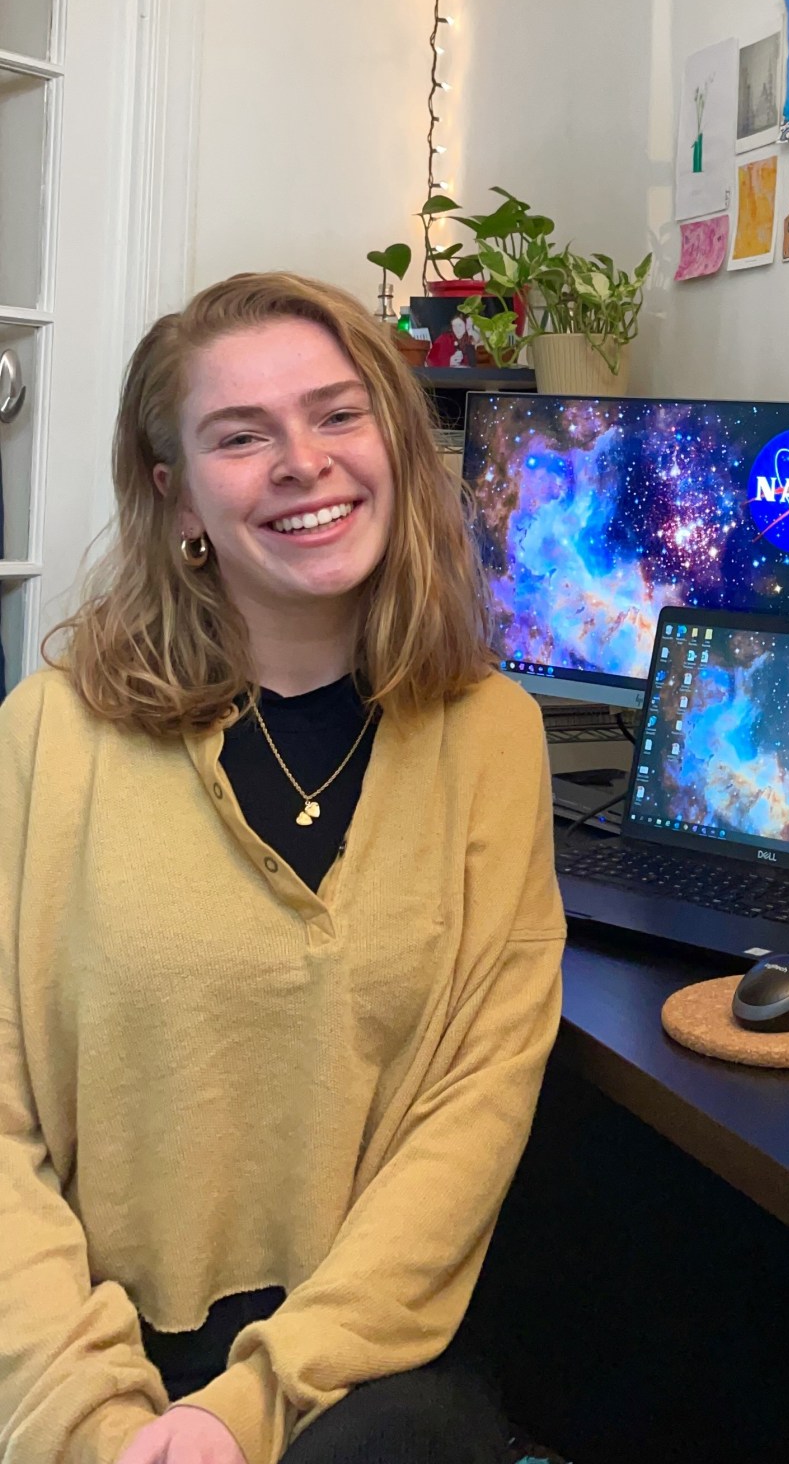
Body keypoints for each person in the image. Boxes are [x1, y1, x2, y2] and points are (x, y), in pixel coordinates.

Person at [0, 273, 565, 1464]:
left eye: (336, 413)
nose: (303, 460)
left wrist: (247, 1409)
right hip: (75, 1345)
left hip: (364, 1360)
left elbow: (474, 1108)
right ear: (178, 494)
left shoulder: (493, 735)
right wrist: (97, 1418)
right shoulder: (49, 735)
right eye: (241, 435)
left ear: (396, 447)